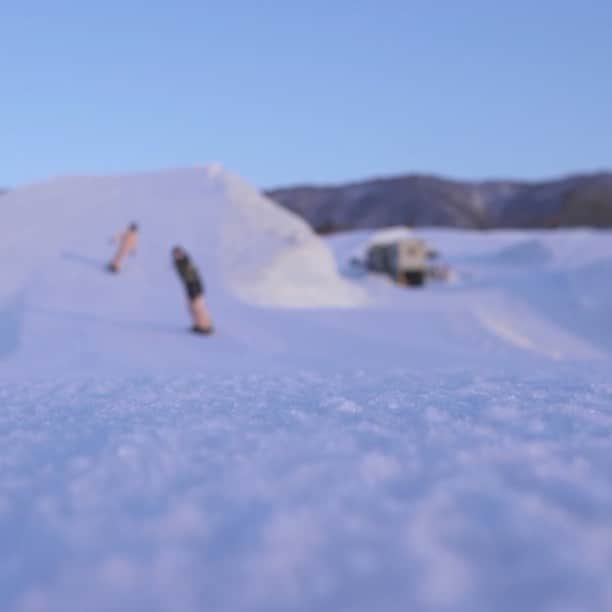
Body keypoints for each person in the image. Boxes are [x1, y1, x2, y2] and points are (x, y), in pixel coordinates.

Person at [172, 246, 214, 334]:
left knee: (198, 308)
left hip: (195, 289)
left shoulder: (186, 263)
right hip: (190, 289)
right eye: (175, 254)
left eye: (178, 254)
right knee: (192, 308)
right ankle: (199, 324)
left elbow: (193, 278)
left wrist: (194, 292)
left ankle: (206, 327)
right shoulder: (180, 263)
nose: (176, 256)